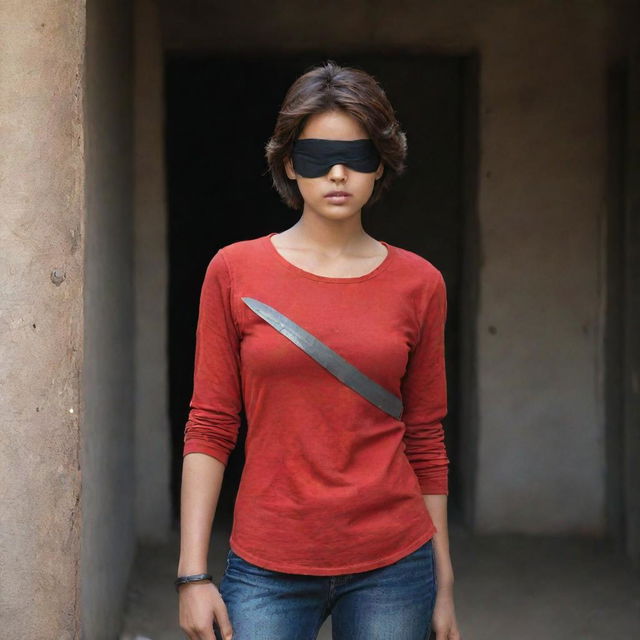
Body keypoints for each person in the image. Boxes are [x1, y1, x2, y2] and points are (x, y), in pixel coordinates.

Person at [176, 60, 462, 640]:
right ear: (287, 163)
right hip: (266, 562)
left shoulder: (420, 283)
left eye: (357, 155)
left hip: (394, 561)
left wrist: (445, 584)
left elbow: (426, 439)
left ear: (380, 163)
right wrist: (193, 575)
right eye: (316, 156)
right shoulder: (233, 271)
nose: (337, 172)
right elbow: (209, 425)